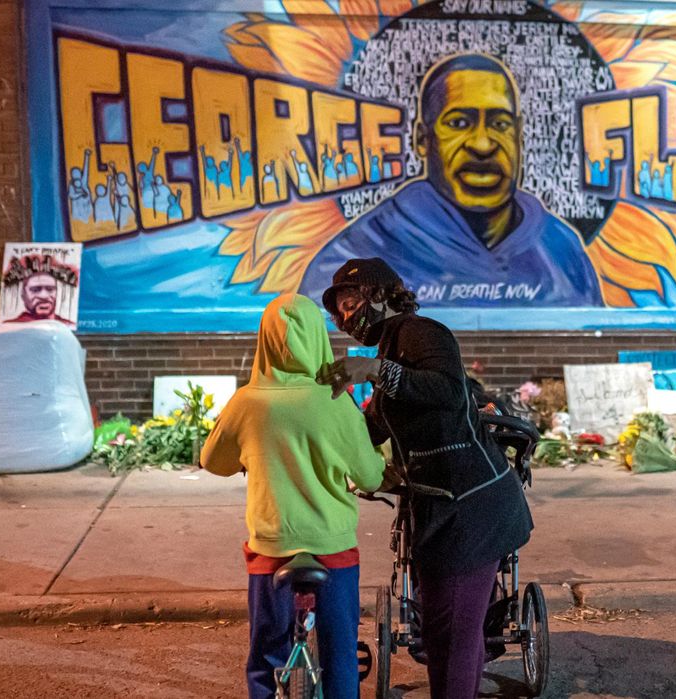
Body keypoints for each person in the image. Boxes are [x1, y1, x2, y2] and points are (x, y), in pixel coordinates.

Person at [319, 258, 534, 699]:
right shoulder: (391, 346)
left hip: (469, 508)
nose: (344, 317)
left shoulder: (421, 332)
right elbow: (371, 428)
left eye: (349, 302)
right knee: (453, 632)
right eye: (338, 310)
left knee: (450, 634)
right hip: (442, 507)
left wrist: (374, 371)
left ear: (379, 294)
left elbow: (447, 391)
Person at [298, 53, 601, 307]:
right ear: (421, 138)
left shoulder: (562, 249)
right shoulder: (353, 257)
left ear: (519, 136)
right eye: (458, 123)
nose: (483, 145)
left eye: (499, 123)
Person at [201, 293, 385, 699]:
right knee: (340, 654)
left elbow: (212, 460)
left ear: (264, 340)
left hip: (271, 547)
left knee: (268, 655)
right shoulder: (336, 402)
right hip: (332, 546)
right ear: (319, 337)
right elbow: (371, 478)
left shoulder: (247, 403)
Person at [6, 271, 73, 325]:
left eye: (50, 289)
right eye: (35, 290)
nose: (44, 296)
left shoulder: (68, 326)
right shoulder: (11, 327)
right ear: (23, 295)